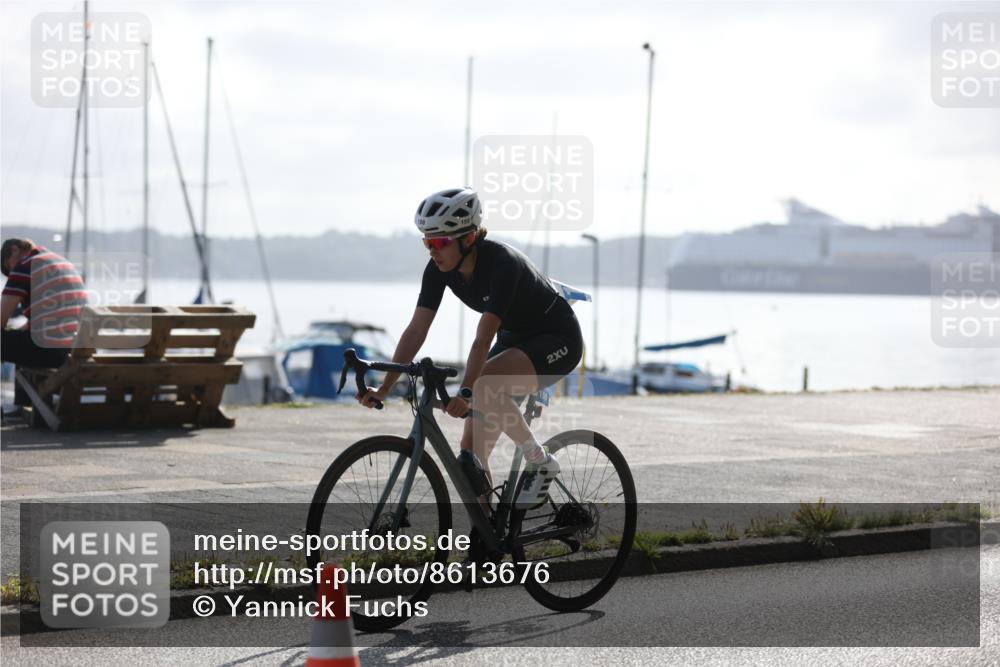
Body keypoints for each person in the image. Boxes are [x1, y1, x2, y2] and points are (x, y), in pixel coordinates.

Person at [357, 188, 584, 510]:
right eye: (426, 242)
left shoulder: (502, 264)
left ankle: (540, 460)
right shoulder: (438, 269)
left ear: (469, 237)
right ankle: (487, 538)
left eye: (439, 243)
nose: (432, 251)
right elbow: (416, 329)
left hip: (557, 339)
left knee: (485, 383)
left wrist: (464, 393)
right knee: (471, 455)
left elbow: (482, 338)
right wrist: (385, 387)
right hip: (513, 341)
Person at [1, 238, 88, 414]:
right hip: (73, 350)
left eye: (8, 267)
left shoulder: (26, 266)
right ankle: (23, 404)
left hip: (47, 351)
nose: (11, 274)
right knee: (20, 338)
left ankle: (22, 404)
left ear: (14, 249)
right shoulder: (62, 262)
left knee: (16, 341)